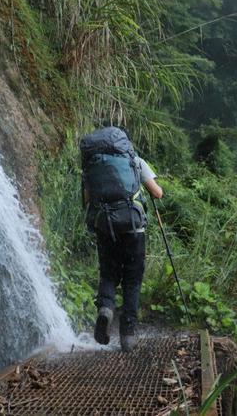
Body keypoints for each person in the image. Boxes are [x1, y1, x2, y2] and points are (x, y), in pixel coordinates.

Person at [80, 126, 163, 352]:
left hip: (105, 229)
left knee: (108, 274)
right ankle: (128, 335)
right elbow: (157, 193)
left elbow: (86, 200)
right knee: (132, 281)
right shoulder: (136, 161)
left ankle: (106, 308)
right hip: (134, 229)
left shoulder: (92, 166)